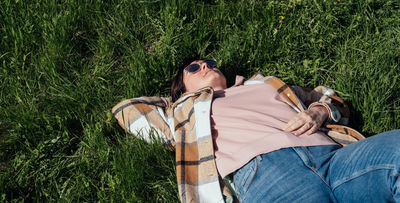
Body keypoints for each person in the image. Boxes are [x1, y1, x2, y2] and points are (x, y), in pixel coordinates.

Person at [112, 58, 400, 203]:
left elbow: (329, 97)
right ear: (181, 88)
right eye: (194, 68)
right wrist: (175, 101)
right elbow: (127, 109)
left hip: (334, 156)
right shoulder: (182, 114)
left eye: (210, 63)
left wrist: (319, 111)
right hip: (269, 175)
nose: (205, 66)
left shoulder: (263, 84)